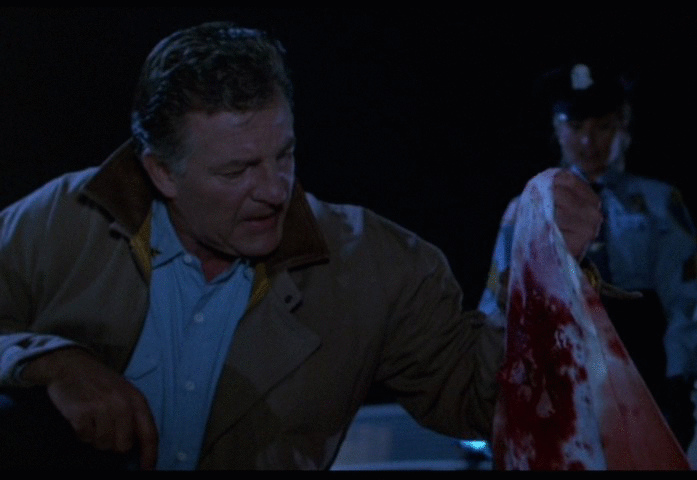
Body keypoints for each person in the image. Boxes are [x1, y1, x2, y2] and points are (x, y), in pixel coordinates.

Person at [0, 22, 602, 470]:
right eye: (237, 170)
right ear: (160, 171)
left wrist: (530, 269)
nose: (274, 190)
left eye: (283, 155)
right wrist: (51, 362)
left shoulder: (375, 264)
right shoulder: (63, 219)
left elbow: (483, 403)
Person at [478, 59, 697, 451]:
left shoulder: (659, 203)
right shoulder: (529, 209)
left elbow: (684, 303)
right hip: (554, 379)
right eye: (575, 127)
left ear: (624, 126)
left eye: (602, 127)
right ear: (557, 130)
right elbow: (497, 303)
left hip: (642, 376)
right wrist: (489, 383)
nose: (588, 143)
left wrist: (679, 385)